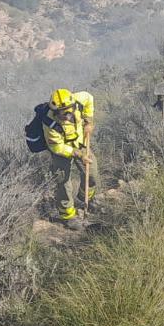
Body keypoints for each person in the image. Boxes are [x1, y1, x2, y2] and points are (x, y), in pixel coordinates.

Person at [42, 87, 97, 224]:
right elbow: (56, 146)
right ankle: (67, 215)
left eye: (68, 112)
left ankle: (85, 199)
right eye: (62, 114)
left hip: (79, 142)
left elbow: (89, 98)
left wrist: (88, 120)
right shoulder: (49, 123)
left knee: (92, 173)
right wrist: (77, 154)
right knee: (63, 180)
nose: (66, 116)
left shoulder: (78, 99)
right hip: (61, 150)